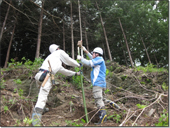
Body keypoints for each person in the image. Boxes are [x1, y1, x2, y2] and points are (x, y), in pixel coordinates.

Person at [32, 44, 80, 126]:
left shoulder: (53, 60)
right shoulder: (59, 52)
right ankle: (35, 123)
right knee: (42, 97)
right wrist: (78, 64)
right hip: (46, 77)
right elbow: (68, 60)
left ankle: (42, 109)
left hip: (39, 76)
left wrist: (75, 73)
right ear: (57, 48)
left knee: (41, 94)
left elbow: (64, 71)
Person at [77, 42, 107, 124]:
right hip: (101, 83)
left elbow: (89, 63)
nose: (92, 54)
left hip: (98, 83)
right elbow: (91, 58)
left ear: (97, 54)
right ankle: (106, 110)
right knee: (101, 99)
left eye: (93, 53)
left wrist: (81, 59)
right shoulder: (98, 59)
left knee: (98, 99)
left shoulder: (99, 59)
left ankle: (103, 116)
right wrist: (84, 50)